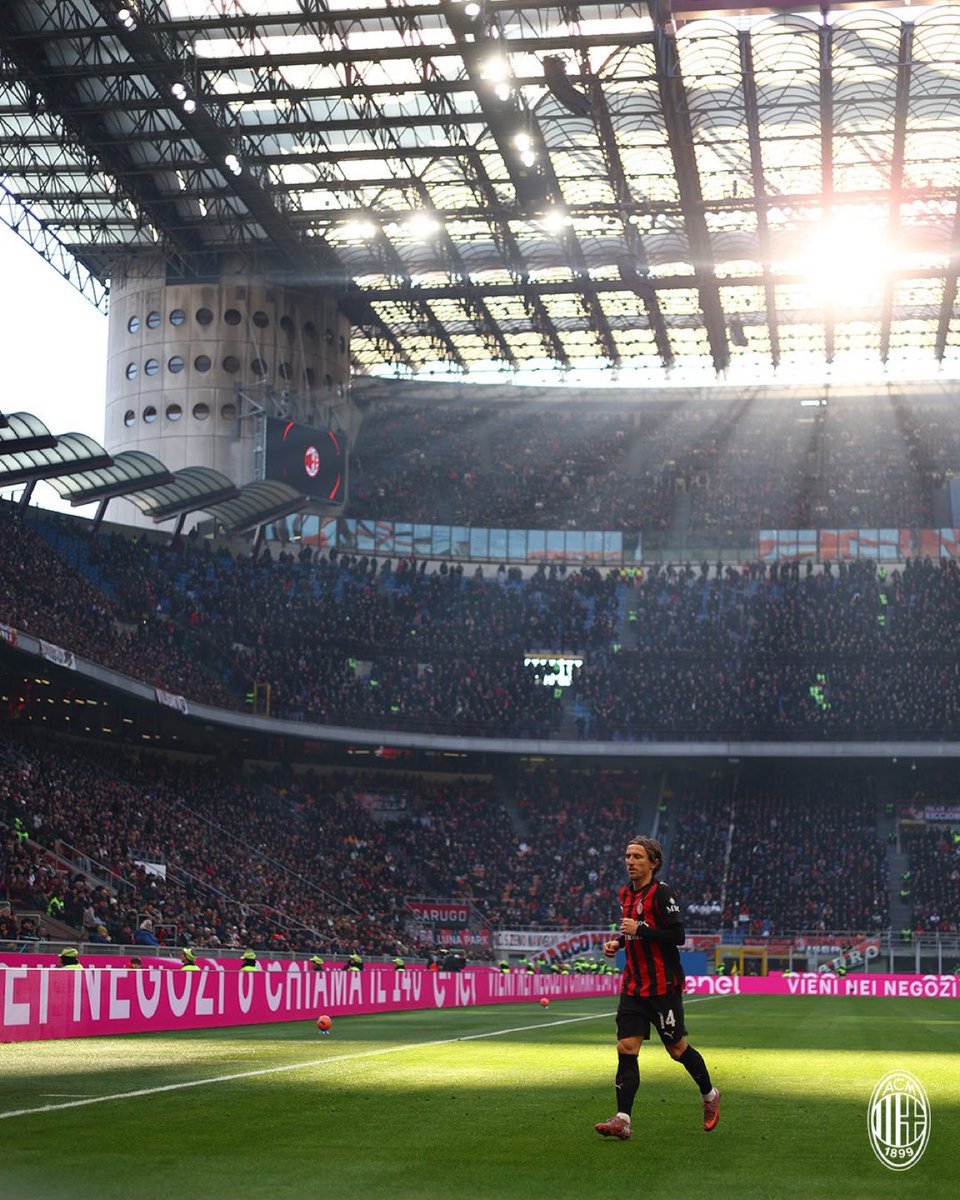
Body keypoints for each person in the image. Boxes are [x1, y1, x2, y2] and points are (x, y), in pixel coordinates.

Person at [594, 835, 720, 1141]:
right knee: (626, 1048)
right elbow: (632, 932)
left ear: (654, 863)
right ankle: (623, 1119)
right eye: (627, 856)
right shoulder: (625, 893)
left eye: (638, 857)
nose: (630, 861)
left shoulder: (662, 894)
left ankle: (709, 1094)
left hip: (663, 986)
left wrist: (641, 929)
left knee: (677, 1049)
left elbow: (677, 936)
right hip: (634, 985)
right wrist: (618, 942)